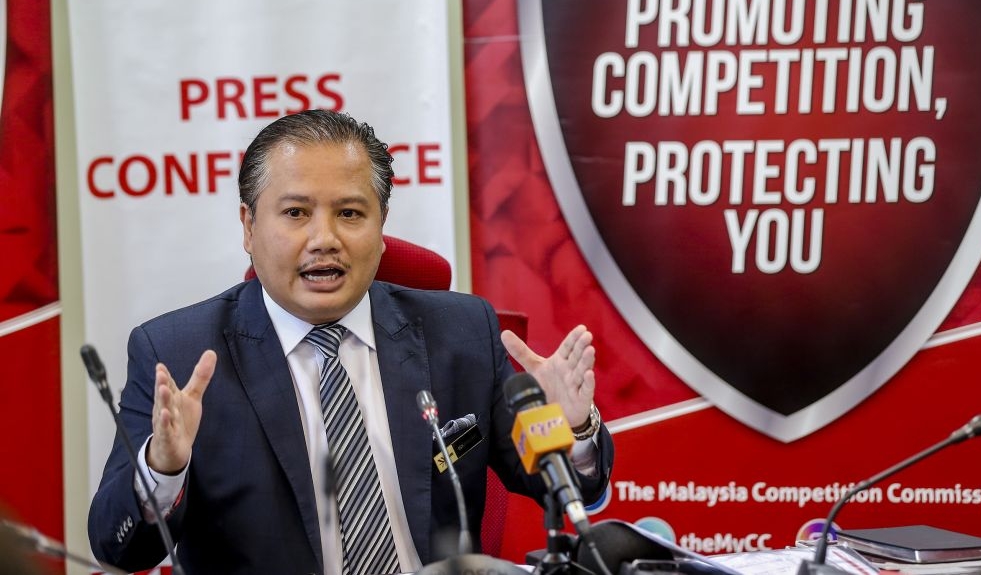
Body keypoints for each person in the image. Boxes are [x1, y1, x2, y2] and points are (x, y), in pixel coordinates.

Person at [88, 109, 614, 575]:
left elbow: (566, 490)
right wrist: (163, 467)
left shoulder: (461, 331)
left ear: (381, 227)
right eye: (296, 213)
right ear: (248, 227)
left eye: (350, 213)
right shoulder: (178, 354)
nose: (325, 239)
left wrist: (572, 428)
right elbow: (120, 550)